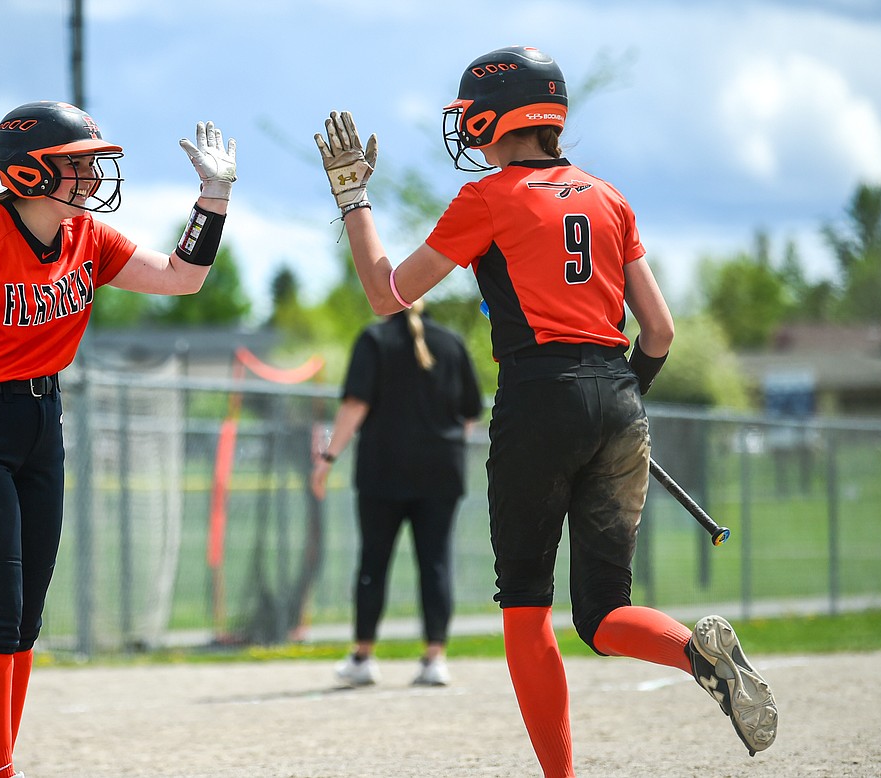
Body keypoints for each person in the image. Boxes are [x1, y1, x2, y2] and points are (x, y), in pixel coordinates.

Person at [312, 46, 777, 775]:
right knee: (602, 612)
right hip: (618, 395)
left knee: (527, 608)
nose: (464, 122)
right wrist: (619, 406)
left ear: (498, 114)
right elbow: (658, 331)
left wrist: (352, 199)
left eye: (470, 108)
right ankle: (694, 651)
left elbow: (386, 294)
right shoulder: (609, 196)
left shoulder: (489, 198)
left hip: (537, 397)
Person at [0, 101, 235, 778]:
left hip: (40, 423)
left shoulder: (87, 235)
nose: (89, 176)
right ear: (27, 172)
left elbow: (182, 278)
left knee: (23, 618)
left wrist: (213, 198)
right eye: (74, 164)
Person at [311, 299, 481, 687]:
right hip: (441, 472)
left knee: (374, 561)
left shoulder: (375, 339)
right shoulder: (452, 343)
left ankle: (363, 657)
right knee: (436, 563)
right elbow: (470, 411)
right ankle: (434, 659)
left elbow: (356, 403)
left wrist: (327, 456)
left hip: (383, 470)